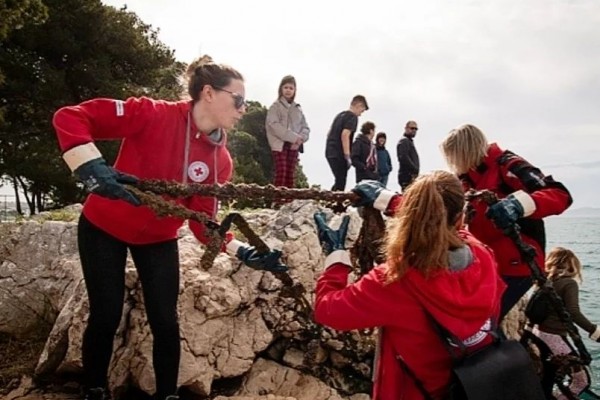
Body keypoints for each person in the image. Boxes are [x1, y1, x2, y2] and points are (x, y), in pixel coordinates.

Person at [52, 55, 286, 400]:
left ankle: (167, 395)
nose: (242, 108)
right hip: (104, 225)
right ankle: (94, 390)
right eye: (238, 99)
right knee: (106, 312)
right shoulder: (152, 113)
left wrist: (242, 251)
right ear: (208, 92)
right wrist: (89, 166)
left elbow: (204, 225)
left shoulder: (221, 160)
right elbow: (70, 116)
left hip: (158, 238)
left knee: (166, 321)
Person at [313, 172, 504, 399]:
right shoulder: (483, 256)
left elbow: (327, 310)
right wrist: (386, 199)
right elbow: (445, 224)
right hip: (475, 386)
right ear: (460, 218)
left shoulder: (396, 280)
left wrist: (335, 257)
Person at [440, 124, 572, 319]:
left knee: (483, 321)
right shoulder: (466, 178)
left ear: (465, 151)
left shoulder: (508, 165)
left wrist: (516, 205)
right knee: (467, 317)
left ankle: (502, 349)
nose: (453, 163)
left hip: (518, 263)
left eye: (454, 156)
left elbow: (560, 195)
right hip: (487, 264)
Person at [534, 247, 599, 399]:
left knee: (548, 375)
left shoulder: (546, 282)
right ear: (572, 264)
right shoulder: (569, 283)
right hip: (553, 336)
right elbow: (573, 312)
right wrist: (594, 331)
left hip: (538, 333)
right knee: (581, 381)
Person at [265, 75, 310, 189]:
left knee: (290, 173)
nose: (288, 90)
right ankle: (278, 200)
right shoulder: (275, 106)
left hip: (294, 145)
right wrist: (293, 137)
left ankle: (289, 201)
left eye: (291, 88)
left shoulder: (298, 108)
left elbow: (305, 127)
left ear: (295, 90)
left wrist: (300, 139)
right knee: (282, 171)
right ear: (281, 89)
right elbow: (273, 125)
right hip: (279, 144)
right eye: (286, 87)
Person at [324, 94, 369, 191]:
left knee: (338, 179)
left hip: (330, 151)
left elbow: (329, 133)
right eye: (362, 110)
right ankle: (337, 203)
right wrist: (347, 155)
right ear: (359, 105)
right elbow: (345, 135)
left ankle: (332, 199)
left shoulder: (340, 115)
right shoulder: (353, 117)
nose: (360, 114)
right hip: (339, 153)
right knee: (341, 180)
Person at [396, 120, 420, 192]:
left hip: (411, 177)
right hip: (407, 177)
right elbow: (403, 157)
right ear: (406, 128)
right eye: (412, 128)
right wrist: (414, 169)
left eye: (416, 129)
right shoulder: (404, 141)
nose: (414, 130)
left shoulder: (408, 141)